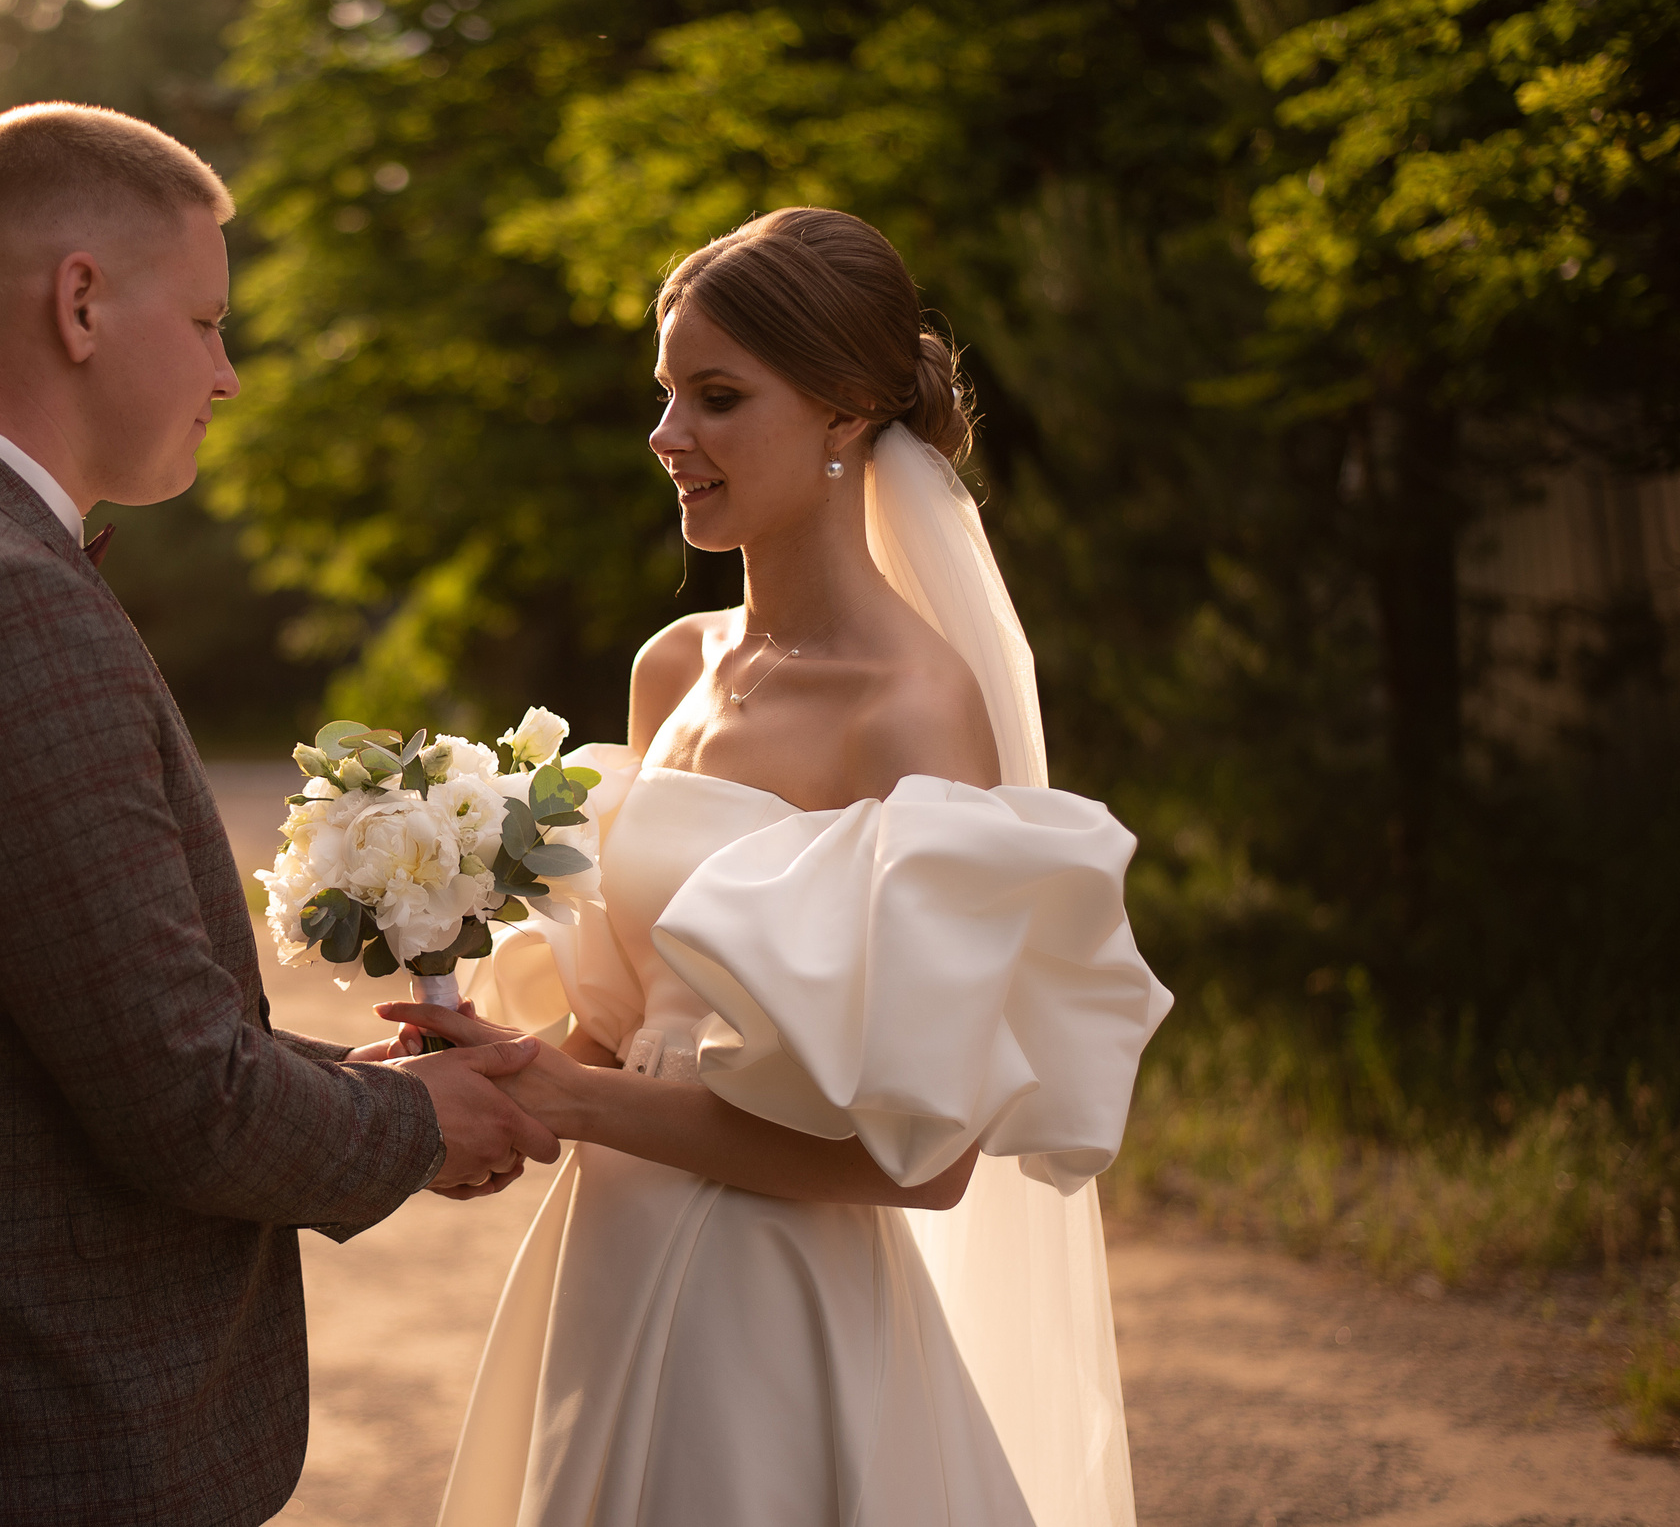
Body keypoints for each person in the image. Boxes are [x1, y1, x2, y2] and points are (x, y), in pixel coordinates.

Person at [0, 102, 557, 1526]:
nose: (228, 375)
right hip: (13, 1450)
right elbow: (182, 1103)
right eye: (211, 321)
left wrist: (373, 1084)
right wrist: (417, 1127)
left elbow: (59, 1029)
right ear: (83, 301)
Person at [375, 208, 1175, 1526]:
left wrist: (573, 1107)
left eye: (719, 396)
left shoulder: (911, 709)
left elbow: (920, 1164)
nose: (667, 434)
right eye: (665, 394)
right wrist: (486, 1069)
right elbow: (637, 1025)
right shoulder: (670, 669)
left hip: (771, 1305)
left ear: (849, 416)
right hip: (608, 1261)